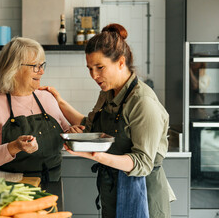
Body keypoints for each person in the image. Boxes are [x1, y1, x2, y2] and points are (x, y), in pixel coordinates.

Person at [41, 24, 173, 218]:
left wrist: (96, 155)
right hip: (112, 189)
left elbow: (143, 163)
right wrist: (59, 102)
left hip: (143, 195)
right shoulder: (108, 93)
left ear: (121, 62)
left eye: (100, 68)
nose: (94, 76)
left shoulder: (142, 102)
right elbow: (92, 126)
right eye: (90, 69)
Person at [0, 37, 70, 183]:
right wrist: (14, 147)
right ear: (14, 69)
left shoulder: (48, 98)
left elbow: (66, 136)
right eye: (35, 66)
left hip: (52, 186)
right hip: (11, 190)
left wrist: (75, 132)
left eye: (42, 65)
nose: (41, 71)